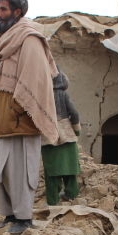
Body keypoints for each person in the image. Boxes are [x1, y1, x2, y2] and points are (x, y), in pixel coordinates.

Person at [0, 0, 59, 235]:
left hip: (21, 115)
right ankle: (10, 215)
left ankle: (24, 218)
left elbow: (35, 78)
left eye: (3, 9)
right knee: (5, 170)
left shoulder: (29, 38)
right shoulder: (7, 38)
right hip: (2, 116)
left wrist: (20, 107)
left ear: (17, 11)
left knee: (22, 170)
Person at [41, 71, 81, 205]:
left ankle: (52, 200)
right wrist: (76, 130)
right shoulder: (63, 94)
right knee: (70, 168)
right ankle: (72, 194)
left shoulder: (41, 96)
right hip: (66, 134)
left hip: (48, 135)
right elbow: (74, 113)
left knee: (51, 171)